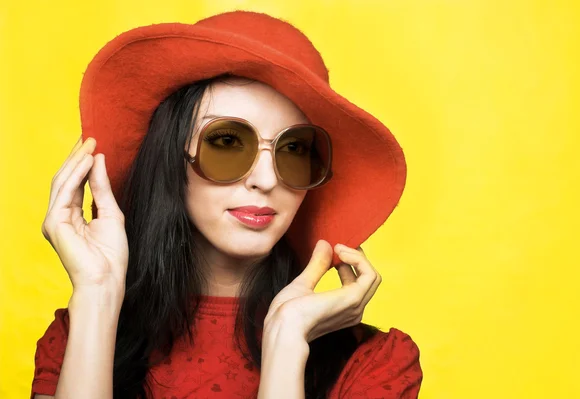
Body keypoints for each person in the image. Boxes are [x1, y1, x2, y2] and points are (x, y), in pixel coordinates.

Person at [31, 10, 423, 399]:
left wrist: (287, 343)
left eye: (293, 148)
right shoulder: (79, 337)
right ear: (170, 156)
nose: (267, 180)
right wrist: (98, 293)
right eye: (227, 142)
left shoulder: (376, 366)